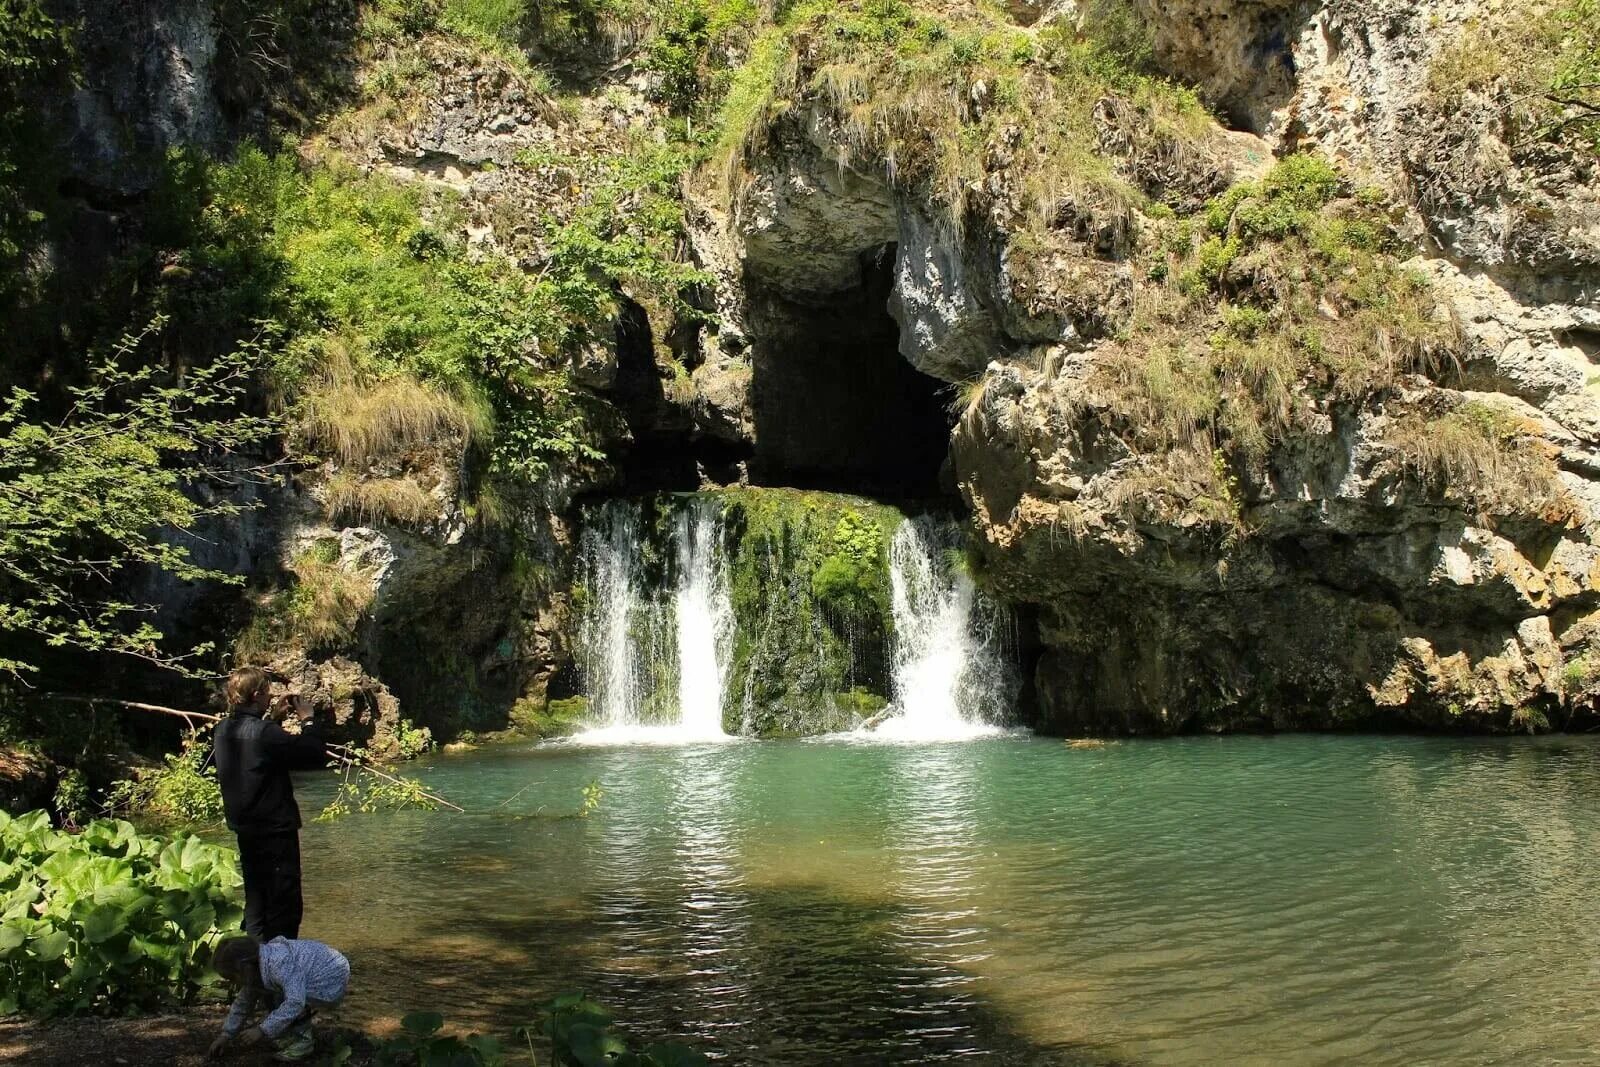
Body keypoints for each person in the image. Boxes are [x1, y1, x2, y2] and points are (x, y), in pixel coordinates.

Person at [213, 666, 327, 943]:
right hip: (275, 831)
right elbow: (313, 755)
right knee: (284, 906)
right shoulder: (265, 734)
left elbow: (258, 756)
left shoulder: (223, 729)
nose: (270, 697)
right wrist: (308, 720)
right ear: (256, 695)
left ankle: (252, 969)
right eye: (266, 692)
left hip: (246, 830)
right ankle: (279, 971)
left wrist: (273, 719)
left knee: (257, 900)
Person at [207, 933, 350, 1063]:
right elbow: (243, 1003)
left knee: (290, 1000)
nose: (232, 983)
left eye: (232, 977)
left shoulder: (278, 964)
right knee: (272, 997)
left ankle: (303, 1042)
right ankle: (289, 1034)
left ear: (244, 968)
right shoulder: (257, 968)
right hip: (313, 969)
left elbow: (295, 1001)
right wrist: (226, 1035)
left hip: (330, 974)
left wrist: (261, 1030)